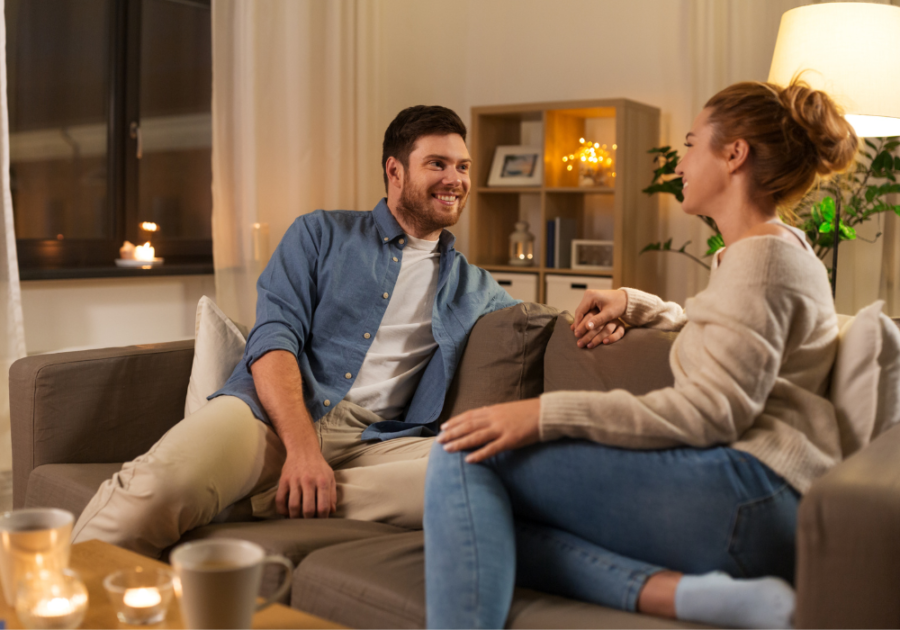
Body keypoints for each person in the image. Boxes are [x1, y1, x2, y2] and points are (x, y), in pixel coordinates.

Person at [424, 80, 859, 629]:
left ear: (734, 154)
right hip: (758, 499)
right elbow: (731, 333)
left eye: (691, 143)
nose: (680, 162)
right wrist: (637, 304)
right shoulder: (760, 254)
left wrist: (543, 414)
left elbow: (710, 411)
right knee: (483, 522)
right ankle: (694, 598)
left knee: (459, 452)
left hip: (752, 491)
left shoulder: (764, 260)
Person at [72, 105, 517, 558]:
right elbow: (273, 340)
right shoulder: (320, 234)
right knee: (158, 488)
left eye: (462, 166)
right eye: (437, 164)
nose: (455, 180)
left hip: (378, 443)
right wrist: (302, 451)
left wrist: (593, 307)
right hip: (270, 416)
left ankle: (260, 497)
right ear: (395, 171)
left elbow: (544, 321)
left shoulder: (473, 285)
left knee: (475, 479)